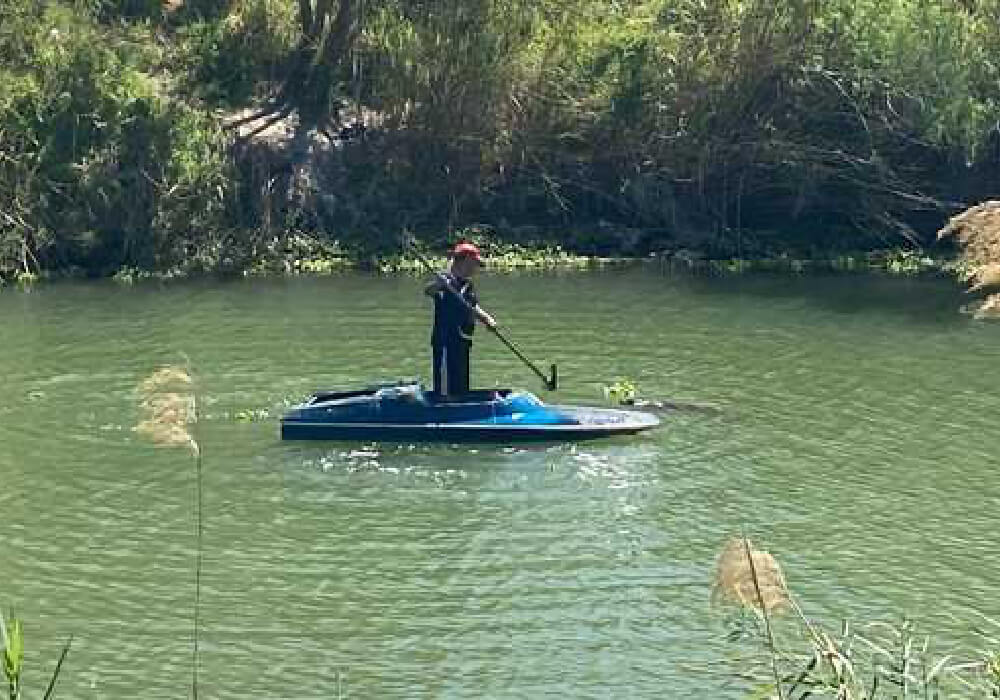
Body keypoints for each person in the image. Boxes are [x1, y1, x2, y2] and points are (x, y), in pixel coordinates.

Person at [424, 241, 497, 398]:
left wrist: (486, 319)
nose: (475, 268)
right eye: (474, 264)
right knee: (445, 386)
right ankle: (443, 407)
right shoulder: (445, 280)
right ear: (464, 261)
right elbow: (429, 291)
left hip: (462, 341)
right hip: (445, 342)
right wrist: (440, 285)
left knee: (460, 384)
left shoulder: (467, 285)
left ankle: (460, 402)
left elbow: (472, 307)